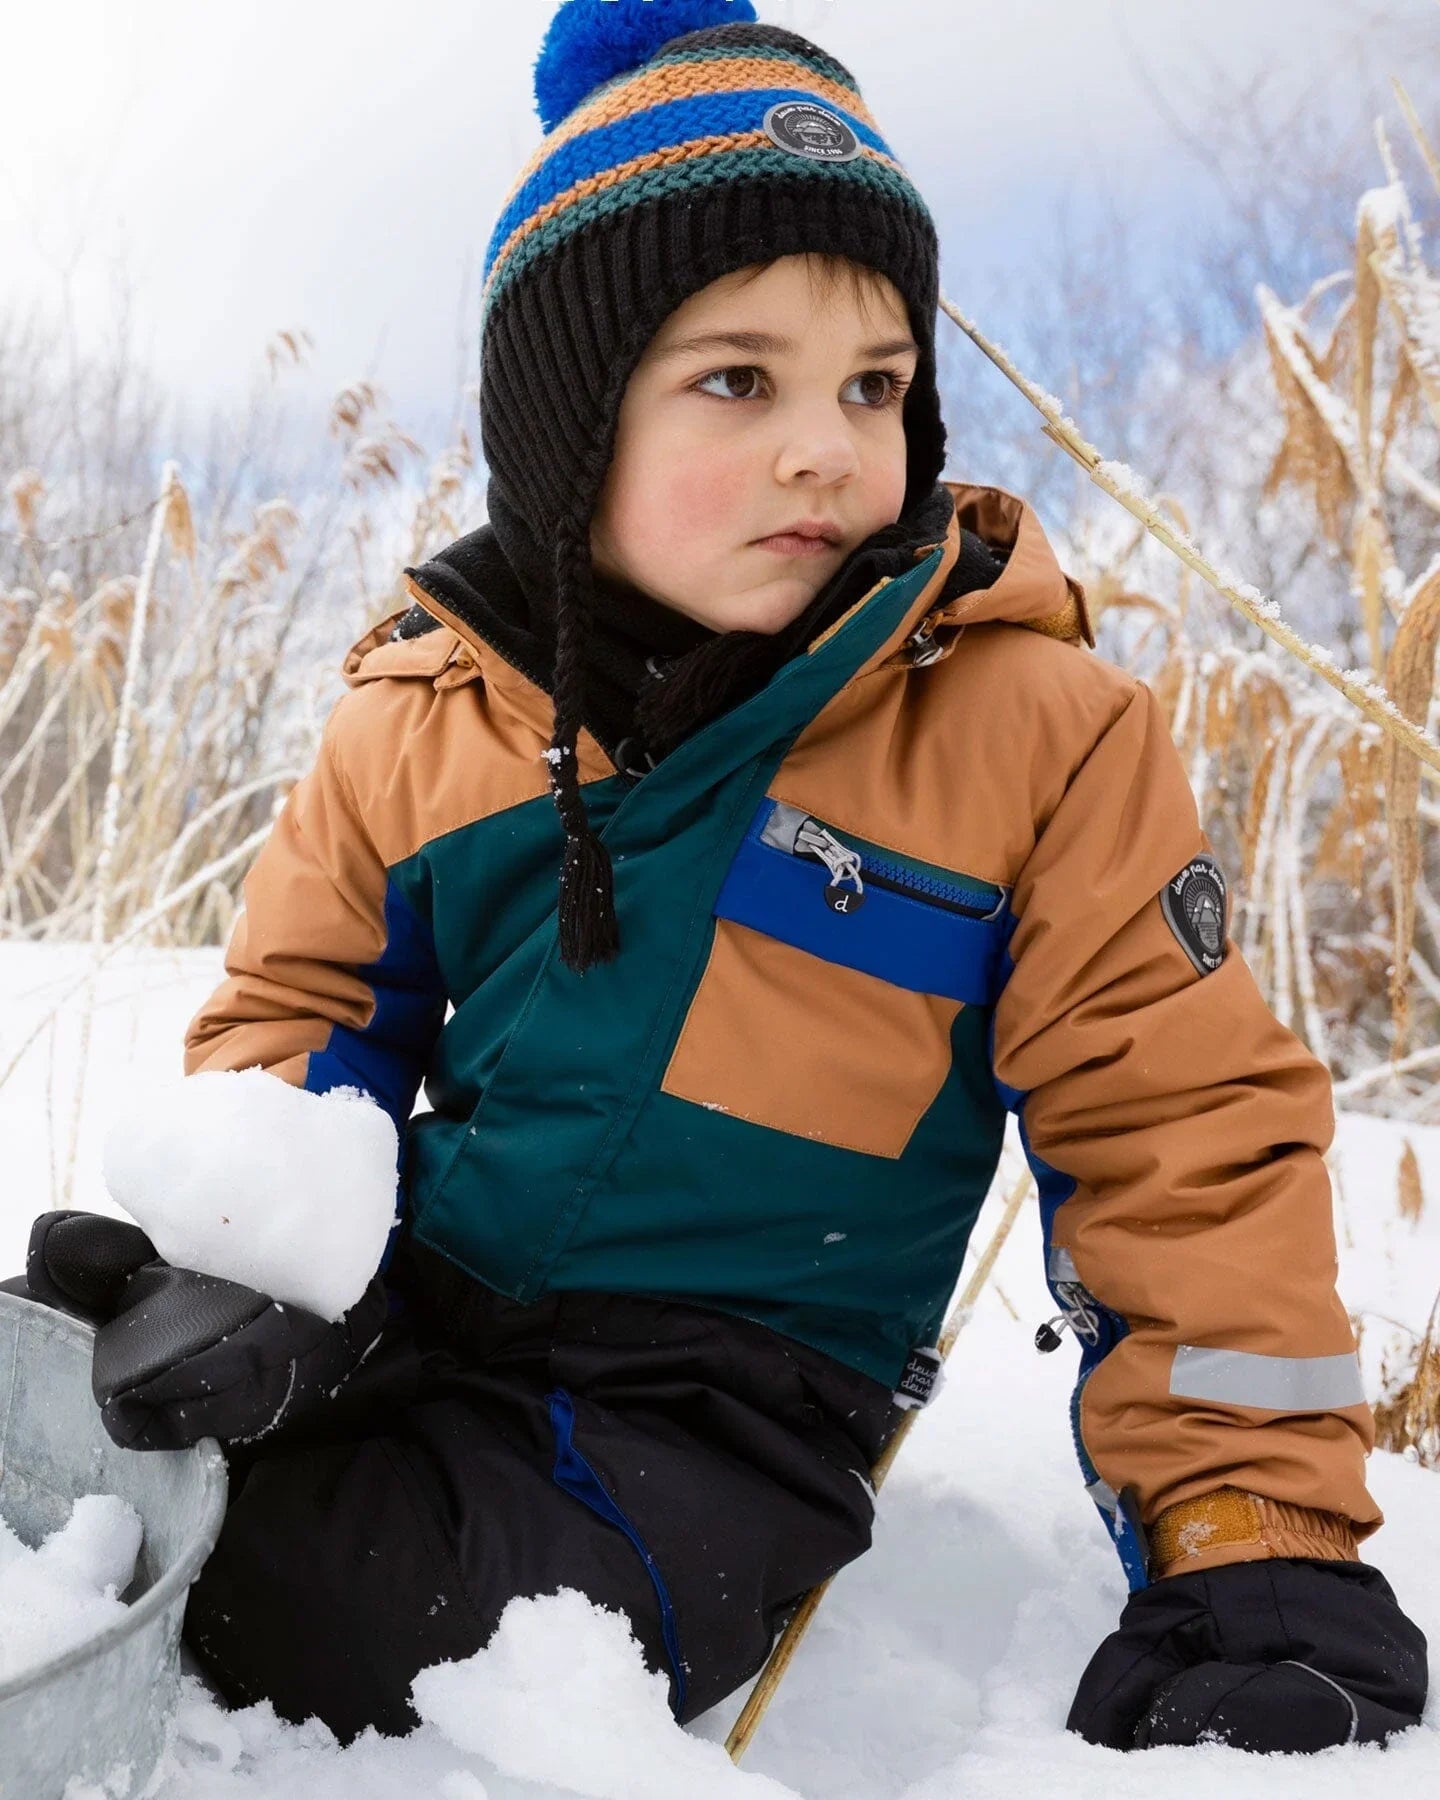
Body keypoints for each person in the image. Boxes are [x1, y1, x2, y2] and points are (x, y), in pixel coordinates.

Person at [9, 0, 1426, 1756]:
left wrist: (1248, 1534)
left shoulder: (1028, 731)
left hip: (716, 1410)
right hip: (417, 1313)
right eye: (737, 380)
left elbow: (1181, 1137)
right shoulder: (426, 709)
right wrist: (241, 1271)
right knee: (77, 1442)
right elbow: (304, 1030)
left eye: (875, 385)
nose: (829, 444)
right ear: (567, 424)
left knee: (349, 1603)